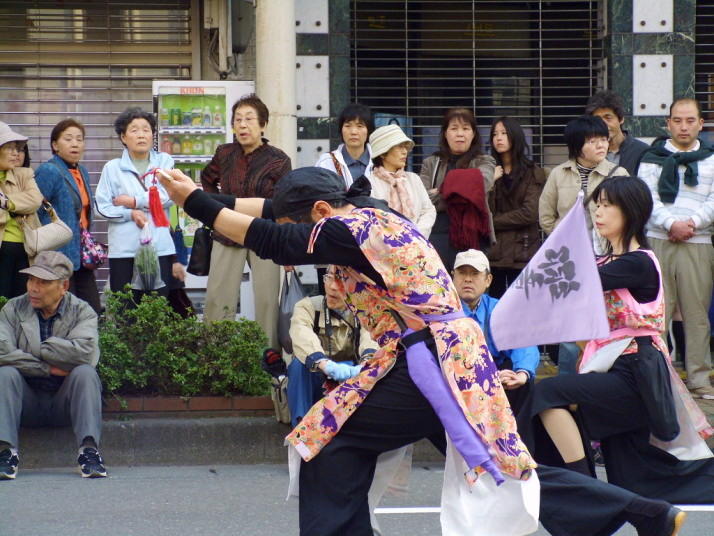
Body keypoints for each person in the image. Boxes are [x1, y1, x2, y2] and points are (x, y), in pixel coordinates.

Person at [159, 166, 687, 536]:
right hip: (446, 357)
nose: (304, 235)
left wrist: (193, 203)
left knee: (328, 443)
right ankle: (645, 512)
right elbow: (274, 212)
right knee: (500, 468)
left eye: (307, 222)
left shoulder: (345, 228)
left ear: (322, 211)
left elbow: (272, 237)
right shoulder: (369, 211)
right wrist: (209, 196)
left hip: (427, 362)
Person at [524, 175, 714, 505]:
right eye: (596, 204)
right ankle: (599, 499)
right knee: (634, 482)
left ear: (631, 211)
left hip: (636, 372)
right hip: (609, 370)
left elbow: (574, 282)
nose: (598, 212)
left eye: (607, 205)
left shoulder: (638, 263)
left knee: (547, 393)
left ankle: (584, 491)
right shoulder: (605, 263)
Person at [0, 251, 106, 480]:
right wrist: (46, 368)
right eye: (31, 280)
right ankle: (6, 453)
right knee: (5, 374)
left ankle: (89, 451)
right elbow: (2, 352)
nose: (33, 288)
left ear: (63, 286)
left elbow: (86, 355)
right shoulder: (12, 308)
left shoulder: (82, 311)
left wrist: (39, 349)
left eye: (43, 282)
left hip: (65, 402)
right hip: (23, 401)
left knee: (85, 373)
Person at [200, 94, 291, 350]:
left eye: (249, 119)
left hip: (264, 234)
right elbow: (207, 178)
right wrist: (214, 208)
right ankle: (216, 360)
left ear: (263, 124)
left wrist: (286, 246)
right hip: (227, 231)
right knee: (219, 298)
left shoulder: (278, 159)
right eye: (238, 120)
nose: (242, 125)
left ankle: (267, 362)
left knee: (266, 301)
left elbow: (285, 201)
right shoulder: (225, 153)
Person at [539, 115, 628, 374]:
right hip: (570, 262)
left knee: (609, 322)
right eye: (593, 140)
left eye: (604, 139)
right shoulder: (558, 174)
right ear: (578, 145)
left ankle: (603, 382)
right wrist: (567, 239)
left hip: (609, 258)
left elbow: (630, 214)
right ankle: (568, 386)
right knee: (570, 330)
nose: (602, 144)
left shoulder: (619, 174)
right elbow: (545, 216)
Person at [639, 98, 714, 400]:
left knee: (696, 314)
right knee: (658, 312)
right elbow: (646, 197)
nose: (684, 126)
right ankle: (660, 376)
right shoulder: (651, 157)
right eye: (678, 120)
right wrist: (671, 224)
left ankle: (699, 378)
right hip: (658, 240)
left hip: (698, 242)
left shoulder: (710, 159)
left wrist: (691, 223)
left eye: (690, 120)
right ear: (668, 123)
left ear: (700, 124)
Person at [94, 107, 176, 300]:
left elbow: (170, 195)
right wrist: (129, 214)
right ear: (123, 137)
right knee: (126, 308)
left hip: (159, 247)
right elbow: (101, 207)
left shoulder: (164, 162)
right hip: (124, 250)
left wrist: (133, 201)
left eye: (146, 130)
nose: (141, 135)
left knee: (158, 309)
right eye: (134, 130)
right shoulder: (112, 168)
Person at [453, 249, 539, 417]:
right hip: (456, 376)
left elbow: (523, 341)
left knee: (521, 381)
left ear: (488, 280)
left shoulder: (499, 309)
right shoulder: (442, 310)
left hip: (495, 371)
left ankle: (518, 440)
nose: (468, 279)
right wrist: (487, 375)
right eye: (462, 273)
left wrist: (522, 373)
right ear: (452, 277)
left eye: (475, 274)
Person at [287, 272, 377, 427]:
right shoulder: (307, 306)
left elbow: (371, 337)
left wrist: (366, 364)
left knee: (376, 369)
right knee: (297, 365)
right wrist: (323, 364)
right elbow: (301, 334)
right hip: (318, 370)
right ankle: (301, 427)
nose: (332, 287)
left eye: (340, 280)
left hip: (352, 374)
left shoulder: (364, 309)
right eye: (328, 278)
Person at [34, 119, 101, 314]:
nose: (75, 144)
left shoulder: (82, 171)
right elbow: (35, 211)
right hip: (57, 255)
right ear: (55, 145)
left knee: (91, 311)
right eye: (68, 139)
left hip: (81, 255)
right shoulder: (49, 171)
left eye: (79, 139)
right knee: (62, 312)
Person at [420, 107, 496, 271]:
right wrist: (464, 191)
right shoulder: (431, 163)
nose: (460, 134)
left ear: (473, 134)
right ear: (445, 133)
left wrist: (440, 191)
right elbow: (422, 200)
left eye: (466, 128)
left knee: (471, 292)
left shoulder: (485, 161)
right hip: (437, 236)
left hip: (474, 239)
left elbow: (483, 185)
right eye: (454, 128)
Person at [487, 117, 547, 298]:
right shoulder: (488, 171)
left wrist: (492, 223)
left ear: (515, 136)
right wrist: (490, 182)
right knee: (494, 303)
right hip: (494, 252)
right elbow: (484, 210)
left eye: (504, 133)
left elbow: (529, 213)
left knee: (521, 304)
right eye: (495, 134)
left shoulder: (532, 172)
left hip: (524, 250)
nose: (499, 138)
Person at [367, 124, 436, 237]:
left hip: (417, 245)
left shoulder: (413, 179)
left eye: (405, 147)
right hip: (384, 248)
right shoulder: (369, 184)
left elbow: (428, 210)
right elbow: (369, 220)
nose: (405, 152)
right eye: (399, 147)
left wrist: (416, 235)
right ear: (383, 153)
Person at [0, 122, 43, 299]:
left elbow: (35, 200)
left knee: (21, 304)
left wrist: (6, 203)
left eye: (16, 148)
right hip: (2, 251)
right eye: (8, 148)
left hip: (25, 250)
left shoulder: (23, 174)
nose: (15, 153)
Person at [585, 90, 649, 175]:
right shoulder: (588, 151)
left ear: (621, 119)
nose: (603, 124)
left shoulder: (642, 151)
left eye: (608, 118)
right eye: (598, 119)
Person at [315, 103, 374, 188]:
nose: (353, 132)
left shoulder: (379, 162)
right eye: (348, 126)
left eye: (360, 126)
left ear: (369, 131)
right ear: (341, 130)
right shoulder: (326, 162)